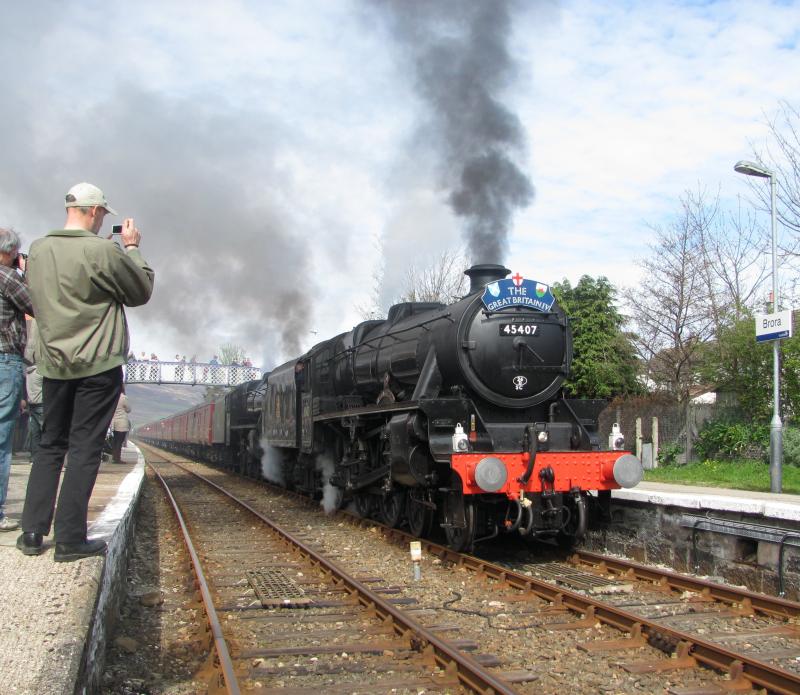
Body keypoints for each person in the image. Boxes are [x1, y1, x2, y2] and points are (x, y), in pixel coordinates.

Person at [17, 182, 154, 562]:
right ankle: (69, 539)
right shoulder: (101, 250)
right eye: (102, 216)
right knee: (84, 449)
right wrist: (131, 247)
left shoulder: (39, 249)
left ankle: (31, 532)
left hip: (54, 364)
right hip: (97, 364)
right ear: (95, 212)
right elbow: (140, 291)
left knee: (49, 444)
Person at [0, 227, 33, 532]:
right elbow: (36, 305)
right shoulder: (9, 277)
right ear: (11, 252)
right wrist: (25, 273)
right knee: (1, 438)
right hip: (5, 359)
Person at [24, 319, 44, 463]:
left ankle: (34, 455)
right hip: (41, 404)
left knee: (34, 432)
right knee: (44, 430)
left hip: (32, 403)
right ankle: (43, 455)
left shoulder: (28, 374)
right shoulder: (39, 372)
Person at [110, 386, 131, 463]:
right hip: (122, 422)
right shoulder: (123, 397)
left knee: (115, 440)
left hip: (114, 422)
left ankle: (114, 457)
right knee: (119, 441)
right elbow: (128, 409)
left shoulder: (113, 397)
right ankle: (117, 459)